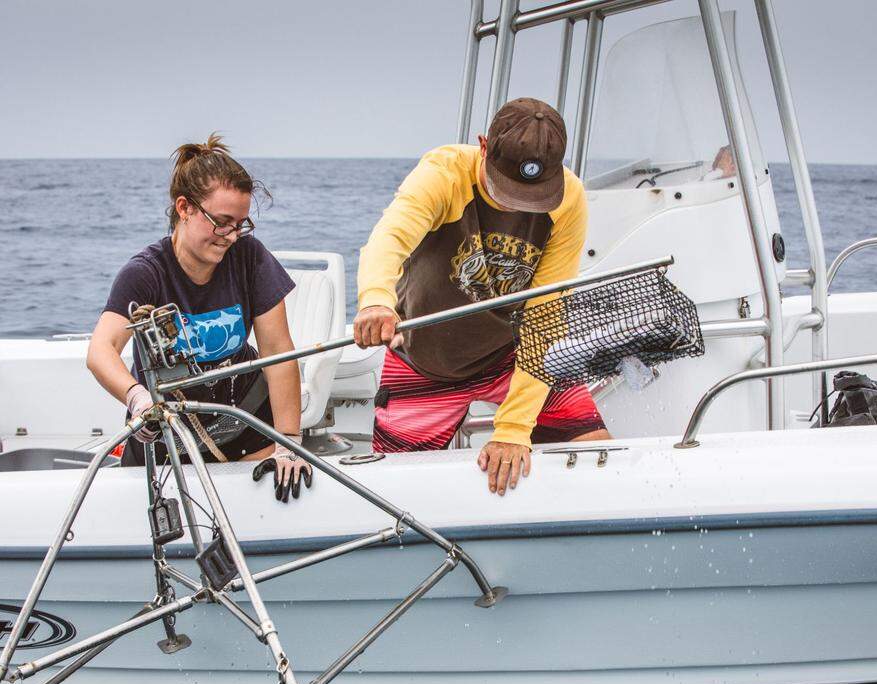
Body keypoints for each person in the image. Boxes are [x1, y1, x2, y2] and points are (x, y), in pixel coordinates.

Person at [353, 98, 611, 497]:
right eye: (507, 189)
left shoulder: (569, 198)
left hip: (514, 354)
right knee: (390, 491)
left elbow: (546, 314)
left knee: (597, 454)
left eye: (533, 194)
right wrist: (375, 299)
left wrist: (514, 428)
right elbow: (389, 238)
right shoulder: (444, 174)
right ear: (483, 146)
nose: (517, 204)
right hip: (425, 357)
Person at [86, 134, 312, 502]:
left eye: (241, 224)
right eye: (221, 222)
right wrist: (137, 399)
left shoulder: (249, 257)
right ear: (185, 208)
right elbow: (100, 350)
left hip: (244, 421)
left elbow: (278, 352)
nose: (231, 236)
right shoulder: (145, 273)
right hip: (167, 429)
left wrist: (289, 443)